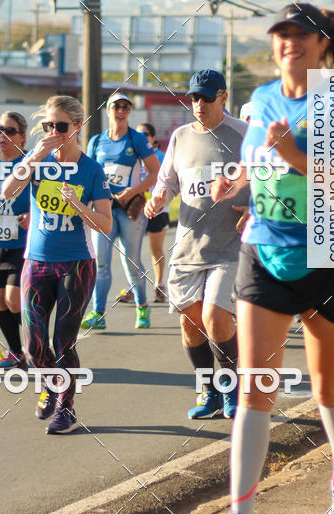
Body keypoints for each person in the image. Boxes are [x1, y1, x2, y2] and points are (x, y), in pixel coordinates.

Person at [197, 3, 334, 514]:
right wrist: (245, 186)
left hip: (327, 252)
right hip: (265, 253)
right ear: (272, 45)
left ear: (322, 45)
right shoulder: (262, 100)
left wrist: (295, 157)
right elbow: (259, 159)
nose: (289, 42)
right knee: (255, 387)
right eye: (281, 34)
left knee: (327, 388)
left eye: (301, 34)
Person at [1, 95, 112, 434]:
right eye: (47, 125)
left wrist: (79, 205)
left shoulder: (91, 170)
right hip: (36, 262)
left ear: (77, 127)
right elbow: (7, 191)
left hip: (76, 265)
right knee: (34, 348)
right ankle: (51, 383)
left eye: (60, 127)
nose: (53, 132)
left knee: (63, 343)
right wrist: (35, 155)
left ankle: (67, 408)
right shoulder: (37, 161)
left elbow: (105, 224)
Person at [146, 70, 248, 420]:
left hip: (230, 247)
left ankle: (232, 387)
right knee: (191, 324)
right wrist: (158, 198)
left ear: (223, 96)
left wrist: (255, 207)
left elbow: (272, 180)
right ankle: (209, 392)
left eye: (206, 98)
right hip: (189, 247)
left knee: (215, 316)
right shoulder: (180, 137)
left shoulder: (244, 135)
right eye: (194, 98)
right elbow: (167, 182)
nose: (199, 104)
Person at [81, 92, 160, 331]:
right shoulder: (96, 141)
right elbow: (88, 174)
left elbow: (157, 172)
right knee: (101, 262)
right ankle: (98, 313)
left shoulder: (136, 139)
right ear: (108, 110)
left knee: (131, 260)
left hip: (129, 209)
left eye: (126, 107)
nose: (121, 111)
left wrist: (132, 190)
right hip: (103, 208)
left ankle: (142, 306)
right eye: (117, 106)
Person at [0, 112, 30, 369]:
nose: (3, 135)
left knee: (14, 300)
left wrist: (33, 214)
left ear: (22, 136)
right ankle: (16, 352)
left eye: (10, 131)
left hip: (22, 244)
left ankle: (38, 344)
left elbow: (46, 199)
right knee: (0, 301)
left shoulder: (31, 164)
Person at [138, 123, 169, 303]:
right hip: (136, 209)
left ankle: (159, 284)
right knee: (131, 251)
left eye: (146, 134)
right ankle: (132, 288)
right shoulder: (133, 156)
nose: (142, 137)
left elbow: (168, 183)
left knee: (155, 249)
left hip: (158, 209)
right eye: (139, 133)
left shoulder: (160, 156)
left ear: (153, 138)